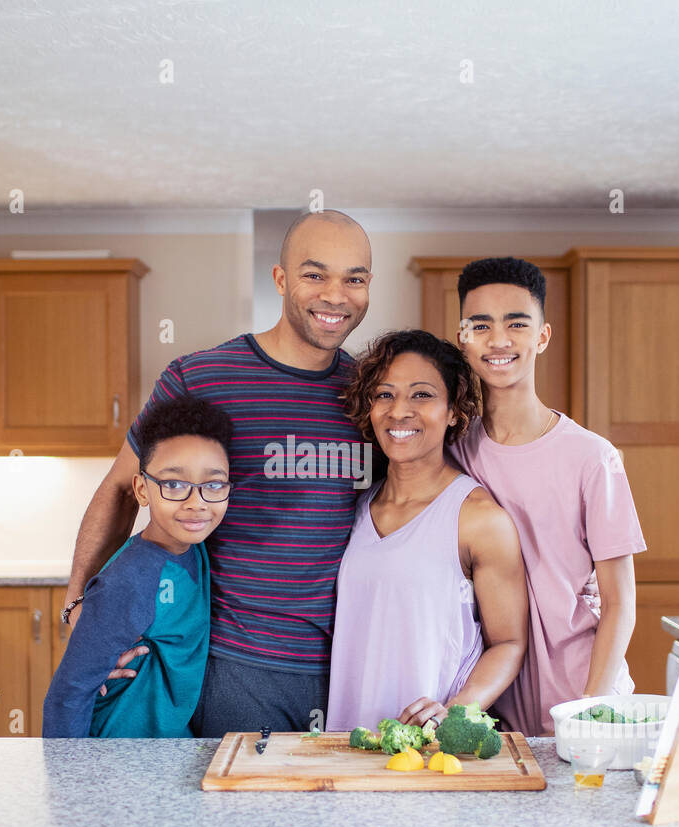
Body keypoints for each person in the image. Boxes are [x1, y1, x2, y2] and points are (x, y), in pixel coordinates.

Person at [63, 210, 373, 737]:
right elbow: (122, 486)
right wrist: (77, 605)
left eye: (355, 279)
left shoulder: (372, 394)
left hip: (352, 663)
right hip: (234, 664)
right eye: (315, 274)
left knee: (334, 815)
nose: (336, 295)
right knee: (236, 816)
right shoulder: (200, 376)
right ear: (280, 279)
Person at [449, 257, 647, 736]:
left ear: (542, 336)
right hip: (497, 710)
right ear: (463, 338)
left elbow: (620, 602)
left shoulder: (592, 458)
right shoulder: (454, 453)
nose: (498, 340)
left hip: (584, 697)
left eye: (517, 324)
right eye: (481, 325)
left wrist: (592, 708)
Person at [327, 330, 527, 731]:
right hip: (347, 742)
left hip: (428, 749)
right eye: (384, 395)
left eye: (422, 395)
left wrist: (457, 711)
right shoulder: (356, 508)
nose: (399, 411)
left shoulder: (478, 518)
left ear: (454, 410)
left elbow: (509, 643)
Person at [42, 397, 232, 737]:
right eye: (174, 484)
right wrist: (67, 783)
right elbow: (68, 694)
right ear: (142, 490)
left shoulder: (196, 549)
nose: (196, 502)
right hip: (116, 757)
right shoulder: (131, 579)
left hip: (166, 750)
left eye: (213, 484)